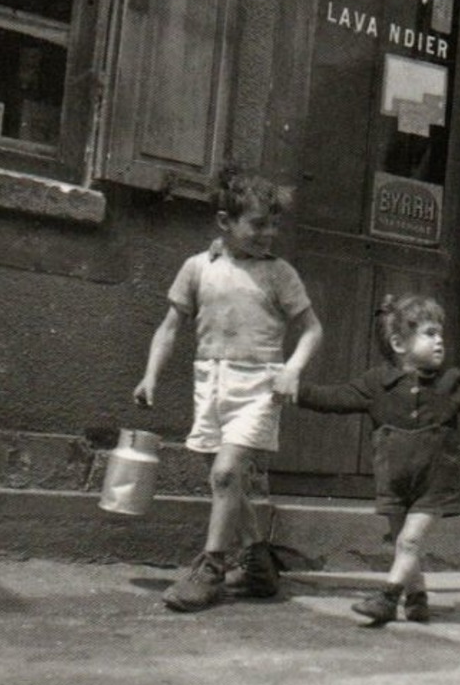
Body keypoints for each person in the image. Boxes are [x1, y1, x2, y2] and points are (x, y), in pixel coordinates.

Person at [293, 294, 460, 626]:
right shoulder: (377, 385)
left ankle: (387, 599)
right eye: (430, 333)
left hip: (433, 483)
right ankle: (417, 598)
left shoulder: (450, 384)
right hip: (394, 482)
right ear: (399, 343)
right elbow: (335, 398)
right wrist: (293, 391)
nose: (440, 340)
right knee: (404, 544)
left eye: (440, 333)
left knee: (409, 540)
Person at [134, 166, 324, 611]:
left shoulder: (280, 274)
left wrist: (293, 369)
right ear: (225, 222)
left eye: (274, 224)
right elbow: (169, 327)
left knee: (224, 474)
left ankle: (212, 569)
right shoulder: (197, 268)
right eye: (258, 224)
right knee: (227, 478)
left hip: (259, 384)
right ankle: (258, 562)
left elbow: (312, 330)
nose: (269, 234)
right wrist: (150, 375)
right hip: (210, 382)